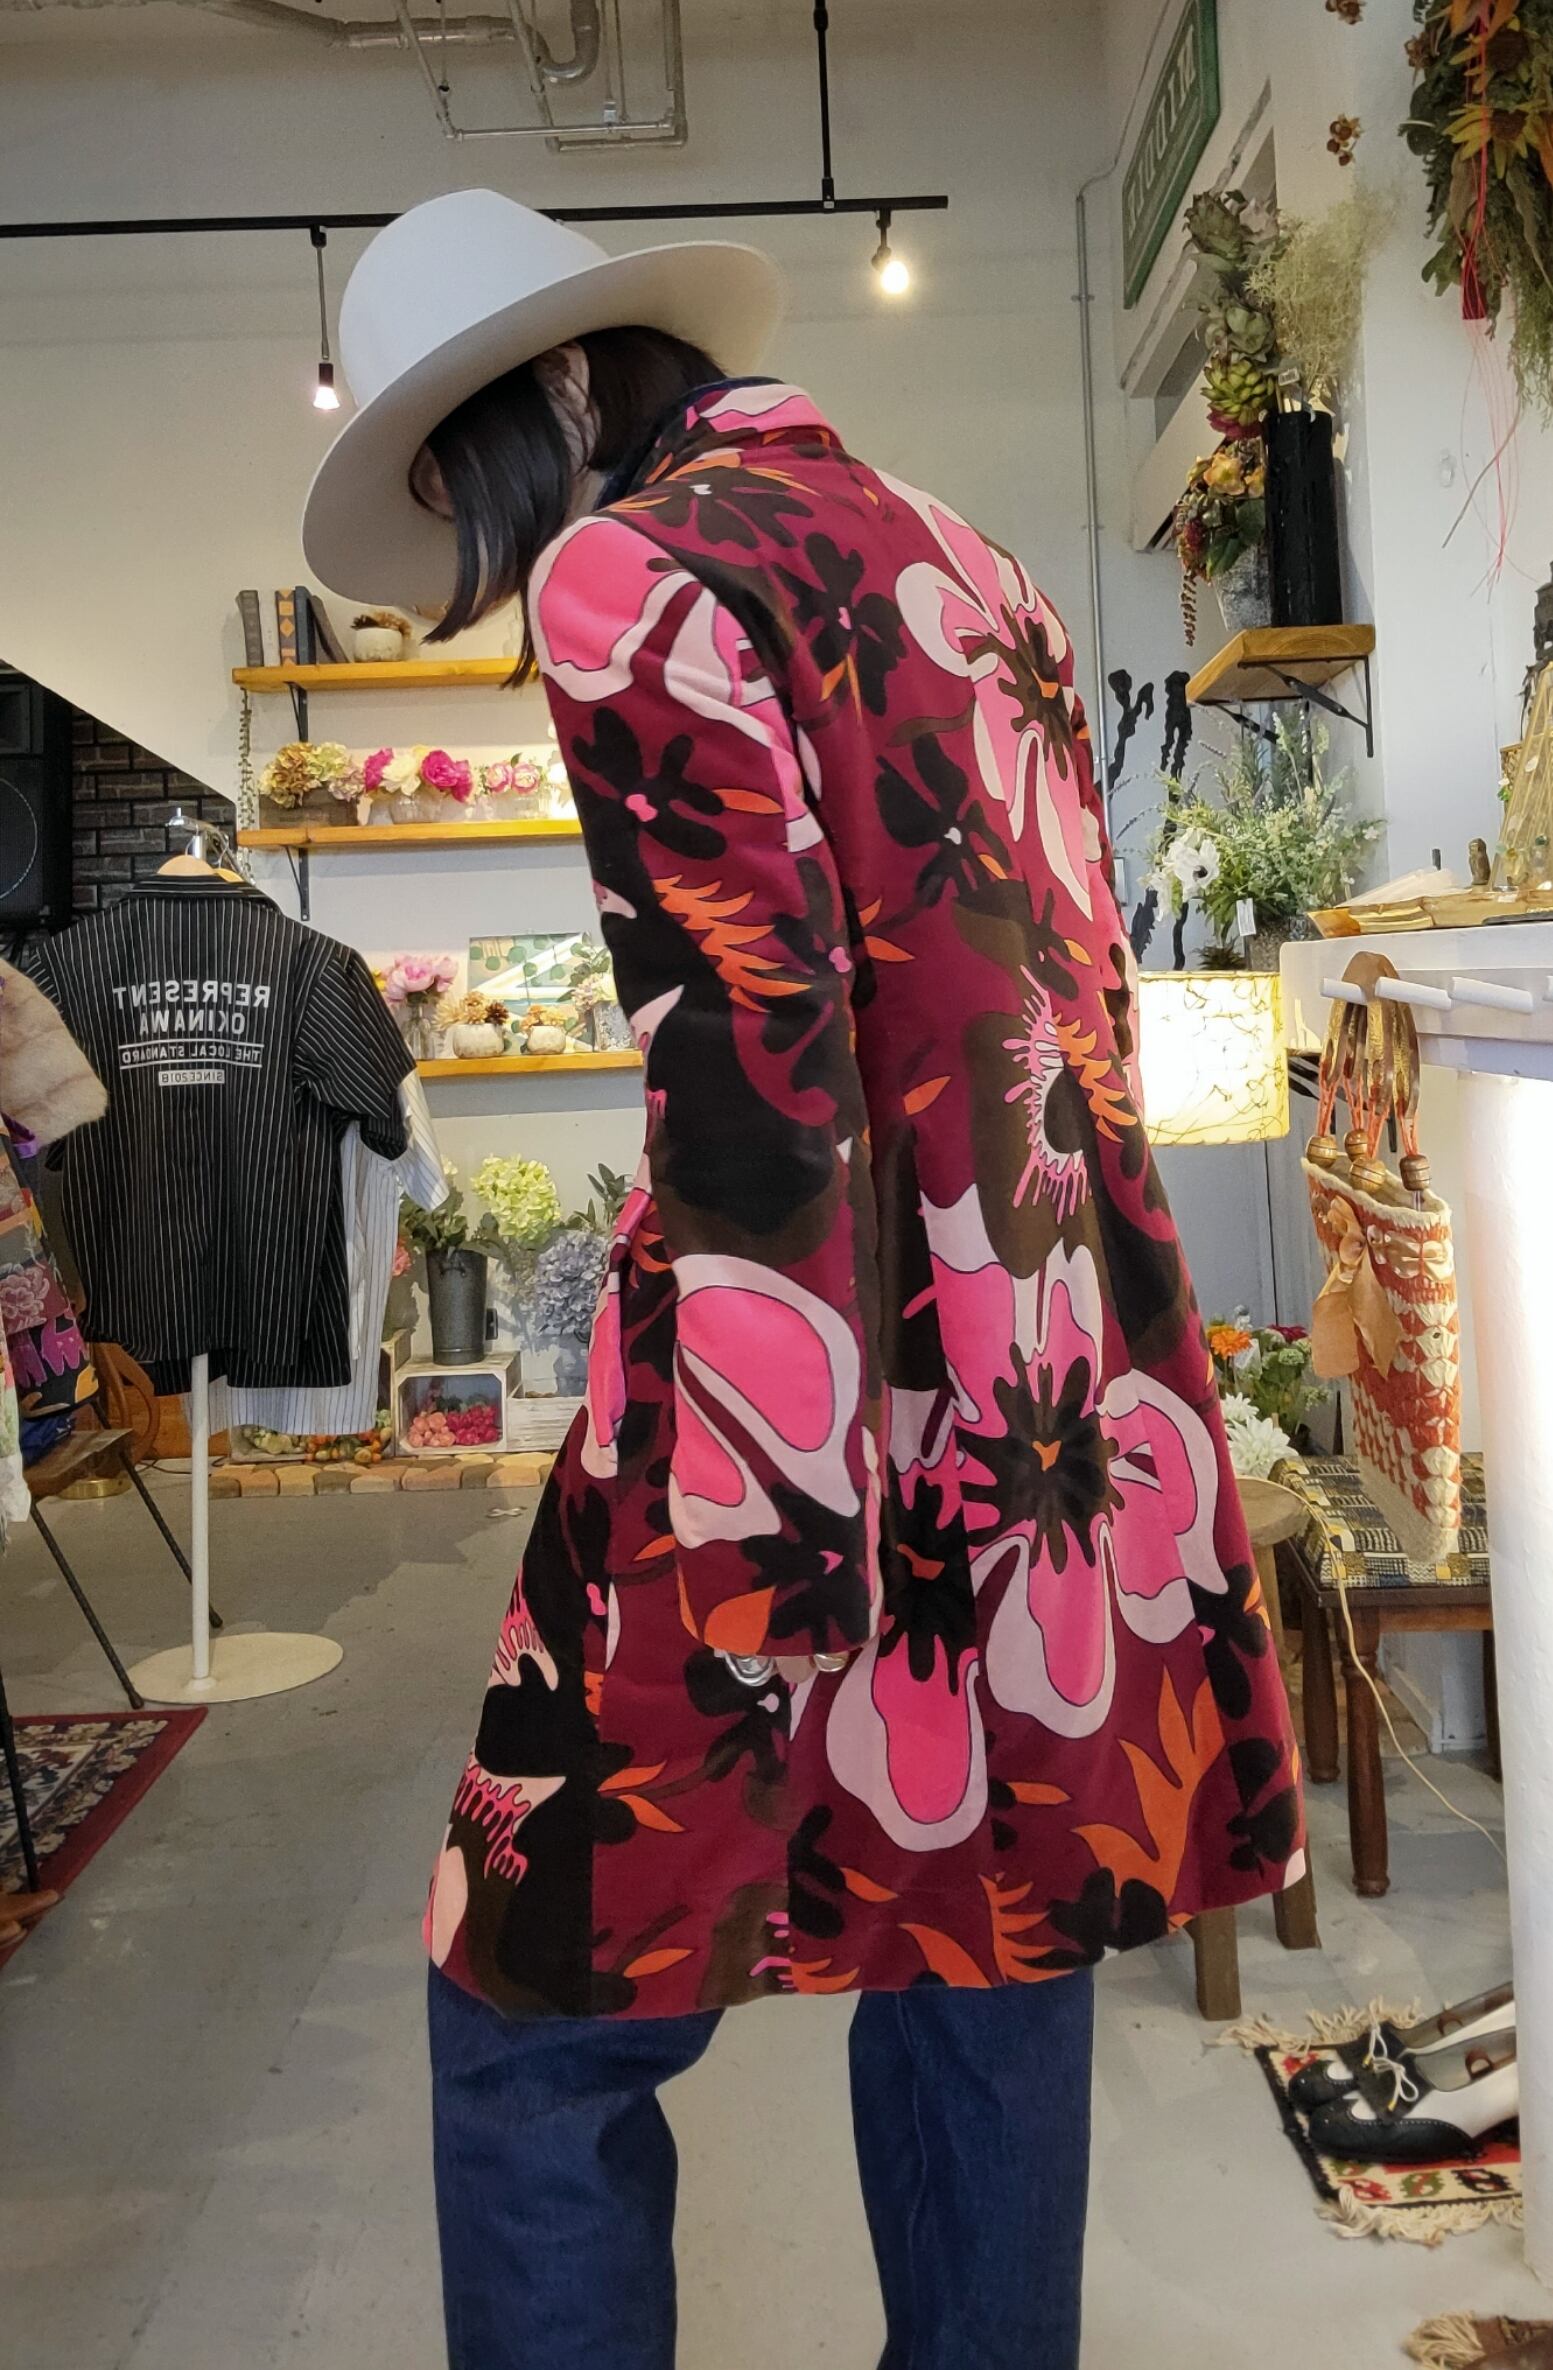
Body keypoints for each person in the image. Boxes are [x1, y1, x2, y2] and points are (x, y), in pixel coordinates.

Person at [304, 190, 1304, 2370]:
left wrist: (765, 1560)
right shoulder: (979, 562)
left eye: (467, 483)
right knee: (984, 1940)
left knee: (525, 2008)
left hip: (784, 1406)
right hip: (1044, 1410)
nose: (487, 556)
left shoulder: (633, 573)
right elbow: (1073, 1024)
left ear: (571, 387)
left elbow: (750, 1093)